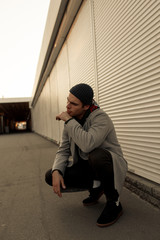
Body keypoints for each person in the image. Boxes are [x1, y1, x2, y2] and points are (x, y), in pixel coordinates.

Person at [45, 83, 127, 227]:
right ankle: (97, 187)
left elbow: (88, 144)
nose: (67, 106)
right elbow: (63, 149)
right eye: (68, 101)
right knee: (50, 175)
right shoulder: (71, 119)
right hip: (87, 166)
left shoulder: (101, 118)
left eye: (73, 103)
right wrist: (57, 170)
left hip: (109, 164)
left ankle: (114, 203)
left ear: (86, 106)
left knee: (97, 156)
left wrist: (69, 121)